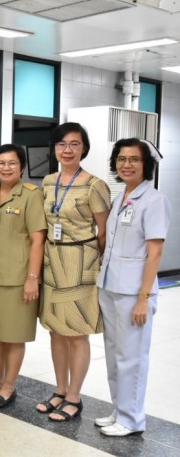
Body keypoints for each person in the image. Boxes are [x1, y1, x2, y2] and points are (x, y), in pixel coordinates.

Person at [95, 138, 170, 436]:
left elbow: (155, 252)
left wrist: (143, 298)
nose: (127, 164)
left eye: (134, 159)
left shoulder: (154, 201)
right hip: (111, 286)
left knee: (132, 357)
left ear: (146, 165)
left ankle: (132, 418)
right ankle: (120, 410)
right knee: (114, 354)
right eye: (122, 159)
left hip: (133, 292)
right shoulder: (122, 197)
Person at [37, 122, 111, 422]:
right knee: (56, 330)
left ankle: (75, 396)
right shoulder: (48, 181)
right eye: (62, 144)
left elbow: (105, 232)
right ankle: (59, 389)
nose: (67, 150)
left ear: (84, 148)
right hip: (52, 260)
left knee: (77, 333)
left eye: (75, 144)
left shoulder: (94, 185)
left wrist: (94, 263)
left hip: (81, 262)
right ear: (54, 148)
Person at [0, 144, 46, 409]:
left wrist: (32, 277)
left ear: (22, 168)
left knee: (14, 335)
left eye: (12, 163)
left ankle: (8, 386)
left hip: (17, 277)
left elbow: (38, 240)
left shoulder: (31, 195)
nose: (6, 168)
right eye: (1, 163)